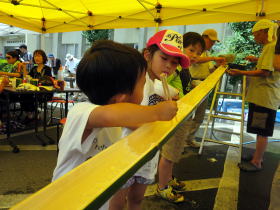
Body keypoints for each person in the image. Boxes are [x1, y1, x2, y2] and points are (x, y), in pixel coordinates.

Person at [52, 40, 178, 209]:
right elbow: (109, 115)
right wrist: (157, 112)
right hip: (66, 202)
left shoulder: (117, 120)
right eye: (142, 83)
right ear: (122, 97)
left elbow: (135, 122)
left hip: (96, 200)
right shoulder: (82, 112)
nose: (145, 86)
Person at [109, 30, 190, 209]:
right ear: (148, 55)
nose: (169, 66)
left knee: (137, 198)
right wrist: (158, 114)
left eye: (174, 62)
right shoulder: (135, 81)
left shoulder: (161, 86)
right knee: (117, 203)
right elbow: (119, 117)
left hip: (149, 152)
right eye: (164, 58)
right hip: (125, 151)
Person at [157, 32, 205, 203]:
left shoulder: (184, 69)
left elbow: (184, 87)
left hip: (183, 116)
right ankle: (163, 187)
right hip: (174, 118)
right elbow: (164, 89)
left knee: (175, 152)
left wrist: (195, 85)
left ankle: (168, 179)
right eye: (191, 50)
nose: (194, 55)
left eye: (198, 53)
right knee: (169, 154)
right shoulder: (173, 69)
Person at [227, 19, 279, 172]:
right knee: (259, 128)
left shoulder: (271, 47)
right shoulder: (269, 47)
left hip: (265, 97)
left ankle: (257, 161)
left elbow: (265, 72)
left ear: (264, 32)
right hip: (263, 97)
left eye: (256, 34)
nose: (255, 38)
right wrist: (256, 59)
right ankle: (258, 156)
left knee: (262, 131)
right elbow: (270, 65)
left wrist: (241, 72)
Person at [184, 29, 226, 148]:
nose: (212, 44)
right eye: (211, 41)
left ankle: (189, 138)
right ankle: (181, 140)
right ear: (204, 37)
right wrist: (213, 58)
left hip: (203, 84)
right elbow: (196, 60)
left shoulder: (206, 53)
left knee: (199, 115)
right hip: (192, 83)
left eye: (214, 42)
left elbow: (210, 70)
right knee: (186, 115)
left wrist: (218, 66)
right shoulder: (202, 53)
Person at [21, 50, 53, 124]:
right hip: (34, 91)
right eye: (35, 56)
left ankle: (32, 114)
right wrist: (24, 67)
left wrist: (34, 80)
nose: (36, 58)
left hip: (44, 92)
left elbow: (47, 81)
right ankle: (31, 113)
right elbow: (27, 78)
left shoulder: (47, 69)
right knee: (22, 95)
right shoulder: (33, 68)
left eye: (39, 56)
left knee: (27, 96)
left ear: (43, 57)